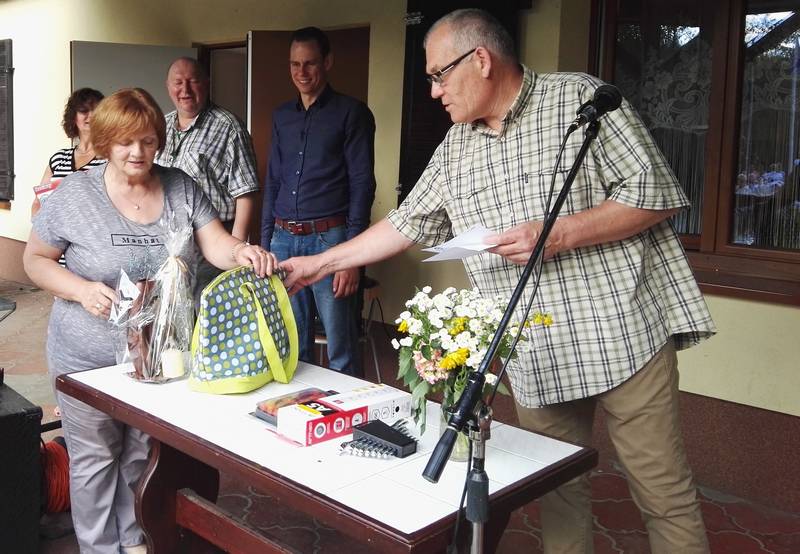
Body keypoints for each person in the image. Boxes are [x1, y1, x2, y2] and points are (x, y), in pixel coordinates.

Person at [280, 9, 716, 554]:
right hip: (537, 349)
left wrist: (556, 234)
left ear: (481, 60)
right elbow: (404, 224)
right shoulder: (456, 146)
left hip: (623, 331)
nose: (434, 92)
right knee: (559, 495)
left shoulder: (580, 100)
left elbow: (656, 195)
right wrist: (319, 264)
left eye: (439, 76)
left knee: (664, 493)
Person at [23, 88, 277, 554]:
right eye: (125, 142)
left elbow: (214, 242)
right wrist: (80, 289)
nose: (138, 152)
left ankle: (133, 538)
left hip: (157, 354)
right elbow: (34, 260)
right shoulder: (75, 194)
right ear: (105, 142)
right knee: (95, 457)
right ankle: (100, 548)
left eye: (147, 140)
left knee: (141, 453)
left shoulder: (180, 186)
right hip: (87, 357)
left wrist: (242, 252)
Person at [261, 27, 376, 377]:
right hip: (283, 239)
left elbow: (362, 185)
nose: (302, 72)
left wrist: (352, 258)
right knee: (293, 345)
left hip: (330, 239)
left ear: (327, 62)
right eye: (294, 64)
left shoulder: (352, 113)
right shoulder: (282, 116)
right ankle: (304, 407)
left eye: (310, 63)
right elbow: (273, 180)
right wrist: (266, 244)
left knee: (340, 347)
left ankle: (346, 410)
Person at [156, 57, 260, 295]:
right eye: (178, 82)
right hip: (170, 243)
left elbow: (246, 193)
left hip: (214, 240)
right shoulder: (161, 126)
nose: (185, 90)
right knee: (170, 310)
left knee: (206, 311)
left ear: (206, 83)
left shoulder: (228, 127)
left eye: (193, 81)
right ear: (168, 86)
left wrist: (235, 253)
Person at [32, 87, 106, 218]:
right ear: (73, 117)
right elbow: (38, 203)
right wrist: (39, 225)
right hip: (53, 230)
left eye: (96, 110)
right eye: (84, 110)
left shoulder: (110, 158)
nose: (91, 115)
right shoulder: (59, 159)